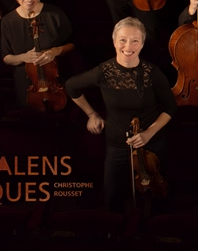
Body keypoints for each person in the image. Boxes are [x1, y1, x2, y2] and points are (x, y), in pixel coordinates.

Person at [66, 17, 177, 214]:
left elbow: (170, 108)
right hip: (117, 143)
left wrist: (149, 133)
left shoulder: (152, 73)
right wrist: (91, 114)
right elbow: (71, 86)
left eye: (135, 40)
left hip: (152, 143)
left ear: (142, 44)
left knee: (158, 193)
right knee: (112, 195)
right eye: (123, 40)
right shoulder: (104, 71)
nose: (128, 46)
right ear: (114, 41)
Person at [1, 0, 74, 108]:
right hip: (28, 83)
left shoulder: (54, 13)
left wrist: (55, 51)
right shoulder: (7, 21)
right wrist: (24, 57)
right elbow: (6, 58)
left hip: (56, 79)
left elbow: (72, 45)